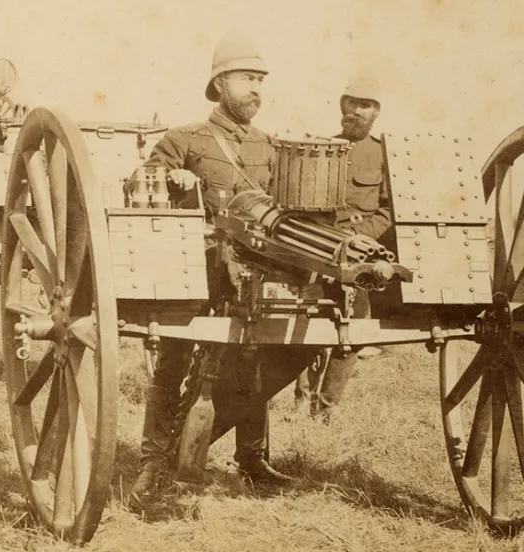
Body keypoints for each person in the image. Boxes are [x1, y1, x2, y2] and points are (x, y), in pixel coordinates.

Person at [129, 30, 308, 509]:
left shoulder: (272, 146)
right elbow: (140, 188)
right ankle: (152, 463)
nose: (257, 89)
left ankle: (252, 458)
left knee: (256, 362)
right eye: (248, 78)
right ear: (220, 82)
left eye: (261, 80)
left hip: (256, 273)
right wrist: (175, 181)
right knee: (172, 364)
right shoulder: (184, 139)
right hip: (195, 274)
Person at [291, 74, 391, 422]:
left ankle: (327, 407)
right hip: (317, 249)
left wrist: (361, 236)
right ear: (342, 107)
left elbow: (389, 210)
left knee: (356, 328)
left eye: (364, 105)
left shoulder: (382, 155)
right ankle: (302, 399)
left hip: (360, 253)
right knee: (303, 323)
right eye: (351, 103)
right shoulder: (320, 149)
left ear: (375, 112)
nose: (356, 111)